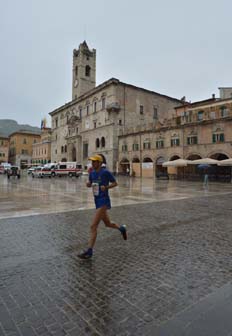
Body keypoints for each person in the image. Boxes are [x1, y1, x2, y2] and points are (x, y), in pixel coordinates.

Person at [78, 154, 127, 259]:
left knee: (93, 226)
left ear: (99, 163)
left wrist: (107, 187)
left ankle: (89, 251)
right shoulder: (91, 172)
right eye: (92, 161)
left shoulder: (105, 172)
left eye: (94, 161)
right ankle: (121, 229)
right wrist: (88, 184)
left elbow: (115, 183)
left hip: (104, 201)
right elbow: (90, 182)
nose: (92, 163)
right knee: (108, 223)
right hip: (97, 200)